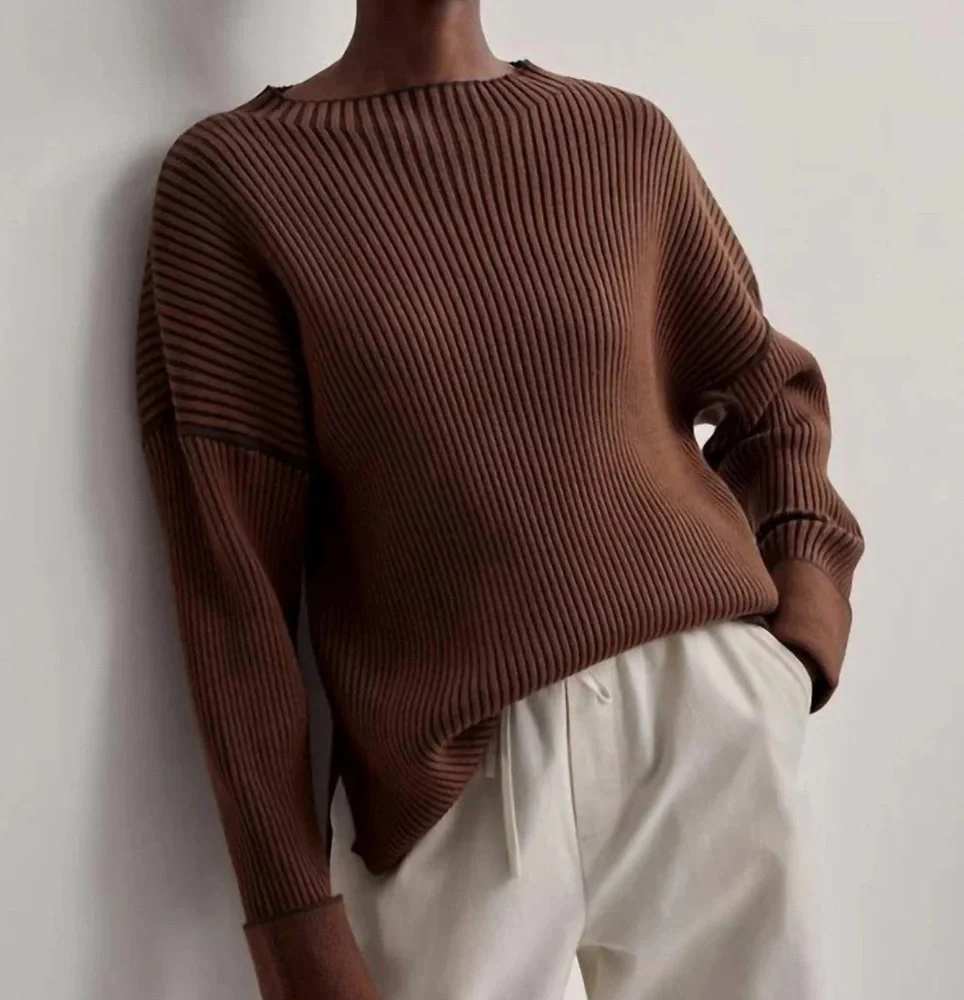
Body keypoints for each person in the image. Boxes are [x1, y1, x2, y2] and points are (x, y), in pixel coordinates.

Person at [133, 5, 865, 999]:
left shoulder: (620, 138)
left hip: (702, 722)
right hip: (452, 776)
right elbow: (232, 587)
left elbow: (771, 394)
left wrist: (797, 636)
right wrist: (291, 918)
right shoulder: (234, 178)